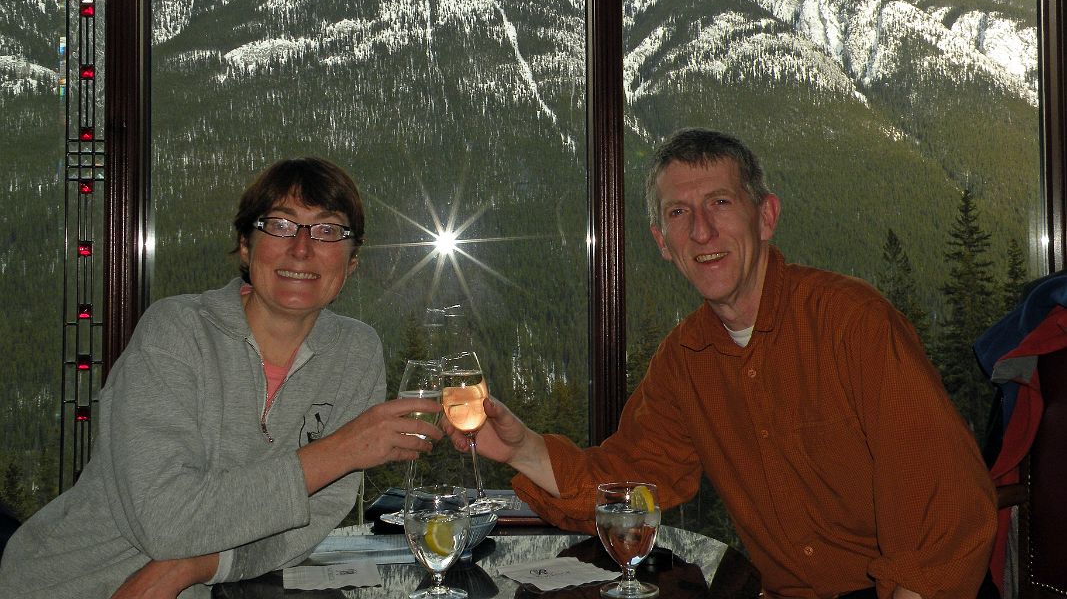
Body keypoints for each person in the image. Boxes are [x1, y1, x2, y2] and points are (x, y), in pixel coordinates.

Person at [448, 129, 997, 599]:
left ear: (766, 216)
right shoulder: (685, 362)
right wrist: (520, 448)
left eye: (721, 203)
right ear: (662, 242)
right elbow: (624, 486)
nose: (702, 232)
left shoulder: (852, 324)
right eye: (679, 214)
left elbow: (942, 508)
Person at [0, 157, 443, 598]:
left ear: (351, 263)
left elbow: (312, 521)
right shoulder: (177, 331)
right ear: (246, 247)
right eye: (280, 225)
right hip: (73, 582)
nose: (302, 249)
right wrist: (342, 450)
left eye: (328, 230)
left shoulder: (355, 353)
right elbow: (165, 522)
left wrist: (192, 567)